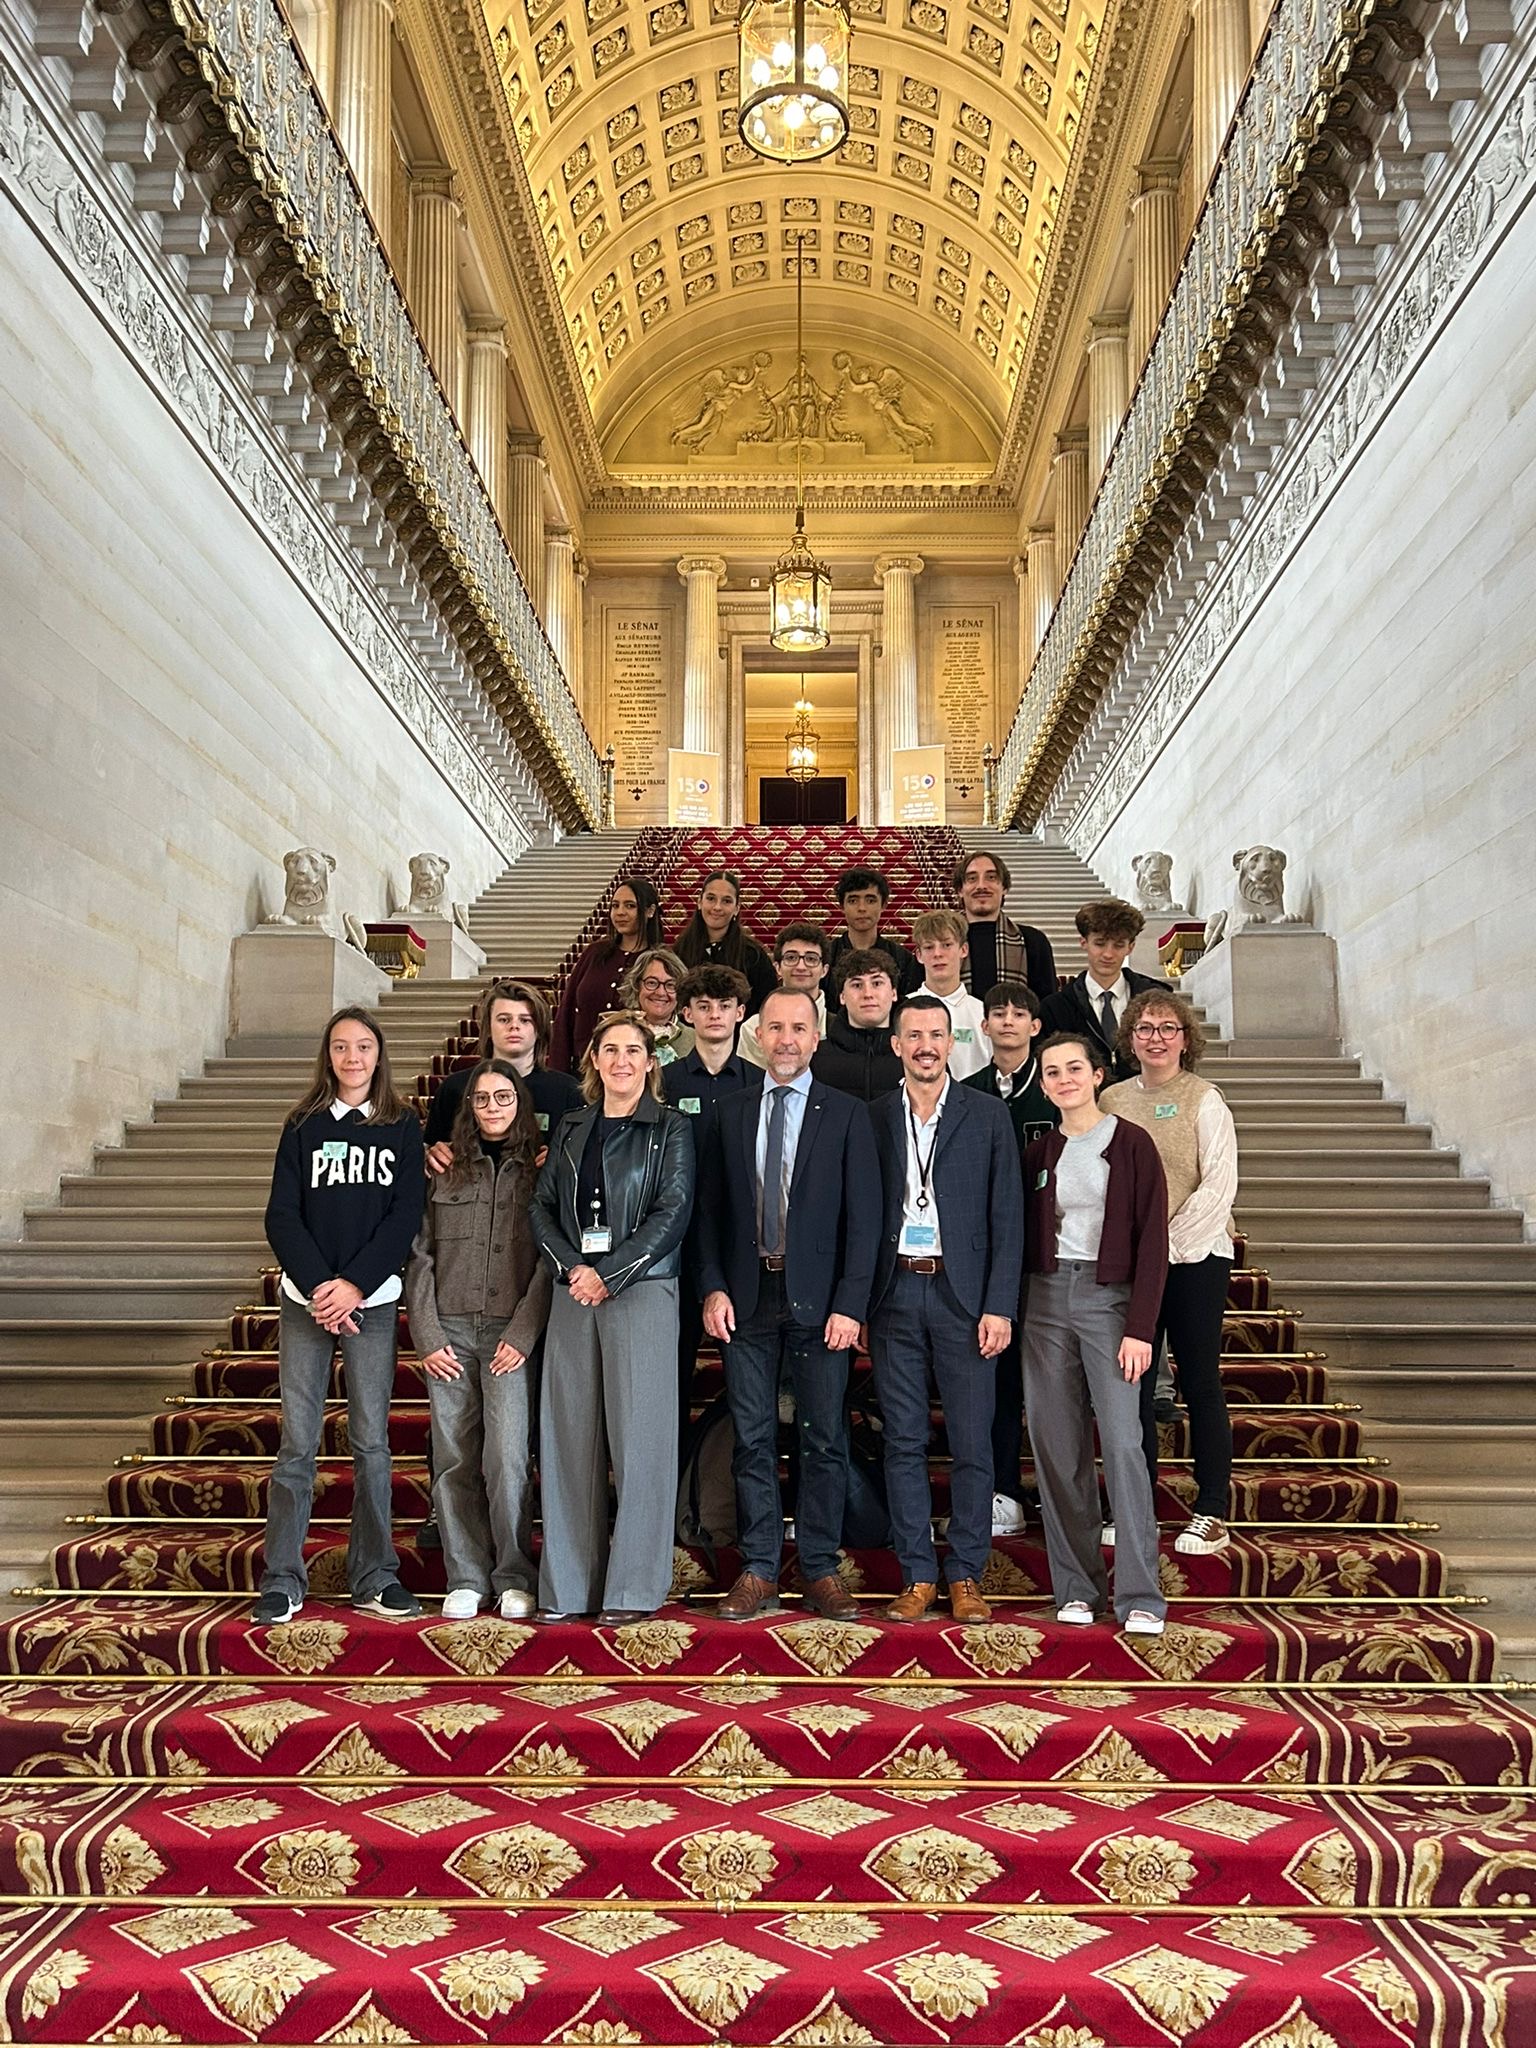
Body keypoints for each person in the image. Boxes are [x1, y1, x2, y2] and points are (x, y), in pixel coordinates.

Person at [697, 988, 880, 1623]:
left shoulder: (848, 1114)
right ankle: (759, 1568)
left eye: (798, 1028)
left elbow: (865, 1220)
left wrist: (851, 1304)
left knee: (824, 1438)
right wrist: (713, 1286)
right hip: (745, 1302)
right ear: (757, 1034)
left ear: (816, 1036)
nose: (786, 1040)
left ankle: (822, 1567)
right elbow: (711, 1213)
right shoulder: (731, 1111)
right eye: (775, 1027)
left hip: (822, 1303)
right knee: (750, 1440)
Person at [254, 1007, 425, 1626]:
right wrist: (321, 1286)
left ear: (379, 1056)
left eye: (363, 1047)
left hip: (372, 1305)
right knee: (297, 1443)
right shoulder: (302, 1125)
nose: (352, 1058)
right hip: (306, 1304)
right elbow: (281, 1215)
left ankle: (375, 1574)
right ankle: (282, 1578)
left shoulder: (403, 1126)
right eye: (340, 1047)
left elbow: (405, 1216)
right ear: (327, 1056)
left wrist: (354, 1285)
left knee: (371, 1443)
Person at [530, 1010, 695, 1622]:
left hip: (643, 1291)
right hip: (574, 1290)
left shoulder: (672, 1129)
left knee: (641, 1444)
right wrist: (574, 1268)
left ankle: (632, 1588)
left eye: (633, 1050)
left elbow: (672, 1211)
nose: (622, 1060)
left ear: (650, 1063)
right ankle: (569, 1588)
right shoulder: (572, 1127)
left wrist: (612, 1272)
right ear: (594, 1062)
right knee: (569, 1440)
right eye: (610, 1051)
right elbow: (541, 1208)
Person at [868, 994, 1024, 1625]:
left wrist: (999, 1306)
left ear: (952, 1041)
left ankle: (965, 1573)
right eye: (914, 1035)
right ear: (897, 1044)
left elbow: (1008, 1218)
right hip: (894, 1293)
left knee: (971, 1442)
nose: (926, 1045)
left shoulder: (987, 1116)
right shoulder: (873, 1117)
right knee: (902, 1441)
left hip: (965, 1299)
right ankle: (917, 1576)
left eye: (937, 1034)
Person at [1022, 1032, 1170, 1636]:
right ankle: (1078, 1588)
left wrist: (1141, 1330)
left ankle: (1139, 1595)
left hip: (1111, 1302)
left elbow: (1154, 1246)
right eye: (1052, 1071)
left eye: (1073, 1068)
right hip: (1045, 1300)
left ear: (1098, 1074)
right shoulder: (1038, 1153)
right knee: (1058, 1450)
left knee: (1125, 1446)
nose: (1063, 1079)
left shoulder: (1133, 1144)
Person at [406, 1059, 551, 1620]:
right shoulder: (442, 1170)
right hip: (449, 1333)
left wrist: (523, 1331)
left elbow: (547, 1261)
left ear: (520, 1105)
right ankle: (465, 1574)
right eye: (482, 1099)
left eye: (503, 1098)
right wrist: (427, 1334)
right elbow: (419, 1255)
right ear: (469, 1108)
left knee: (509, 1457)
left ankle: (514, 1572)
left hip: (509, 1335)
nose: (492, 1108)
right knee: (454, 1456)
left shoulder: (540, 1171)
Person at [1102, 989, 1238, 1556]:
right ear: (1130, 1037)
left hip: (1195, 1258)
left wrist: (1165, 1247)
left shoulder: (1205, 1099)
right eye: (1145, 1027)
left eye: (1167, 1027)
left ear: (1185, 1038)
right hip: (1130, 1266)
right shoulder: (1109, 1100)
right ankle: (1134, 1502)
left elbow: (1219, 1184)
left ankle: (1212, 1508)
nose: (1155, 1036)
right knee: (1128, 1387)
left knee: (1200, 1381)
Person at [964, 981, 1059, 1535]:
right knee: (997, 1379)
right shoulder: (968, 1089)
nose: (1006, 1021)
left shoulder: (1054, 1088)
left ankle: (1053, 1487)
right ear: (985, 1026)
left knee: (1050, 1377)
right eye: (997, 1013)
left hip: (1049, 1249)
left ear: (1034, 1026)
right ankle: (1001, 1486)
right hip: (989, 1254)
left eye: (1018, 1013)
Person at [661, 964, 761, 1417]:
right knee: (673, 1366)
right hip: (677, 1237)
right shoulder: (665, 1083)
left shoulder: (762, 1082)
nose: (714, 1015)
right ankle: (677, 1478)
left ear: (741, 1012)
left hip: (741, 1237)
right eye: (703, 1006)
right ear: (686, 1014)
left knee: (745, 1371)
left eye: (724, 1006)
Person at [424, 978, 583, 1168]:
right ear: (488, 1027)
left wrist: (565, 1157)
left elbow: (582, 1155)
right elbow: (432, 1146)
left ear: (539, 1029)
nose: (514, 1026)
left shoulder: (567, 1091)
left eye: (525, 1020)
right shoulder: (454, 1088)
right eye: (504, 1019)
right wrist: (430, 1153)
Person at [1040, 899, 1170, 1086]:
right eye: (1100, 943)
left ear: (1130, 947)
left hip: (1145, 1101)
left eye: (1118, 945)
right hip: (1082, 1106)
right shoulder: (1055, 1008)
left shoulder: (1157, 998)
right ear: (1084, 943)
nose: (1108, 954)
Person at [550, 877, 664, 1072]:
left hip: (628, 1070)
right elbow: (566, 1011)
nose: (620, 912)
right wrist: (557, 1070)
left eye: (630, 906)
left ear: (650, 911)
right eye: (615, 906)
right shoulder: (594, 953)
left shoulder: (659, 961)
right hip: (583, 1067)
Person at [954, 848, 1057, 1008]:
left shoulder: (1033, 941)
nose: (981, 886)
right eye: (972, 878)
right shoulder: (943, 943)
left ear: (1004, 888)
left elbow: (1046, 1006)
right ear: (960, 890)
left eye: (991, 877)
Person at [674, 869, 776, 1015]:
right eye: (711, 898)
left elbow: (766, 1007)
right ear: (699, 902)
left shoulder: (754, 956)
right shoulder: (679, 952)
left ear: (736, 908)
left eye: (726, 901)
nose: (717, 907)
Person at [812, 947, 904, 1100]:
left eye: (877, 983)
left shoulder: (913, 1055)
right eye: (857, 985)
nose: (868, 994)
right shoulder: (816, 1058)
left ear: (893, 993)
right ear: (842, 996)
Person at [739, 924, 831, 1068]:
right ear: (778, 968)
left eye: (811, 959)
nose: (801, 966)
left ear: (824, 970)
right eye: (791, 957)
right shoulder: (753, 1028)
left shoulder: (839, 1028)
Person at [910, 909, 988, 1080]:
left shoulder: (983, 1013)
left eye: (946, 944)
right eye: (929, 947)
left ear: (963, 949)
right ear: (919, 955)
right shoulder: (903, 1010)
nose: (938, 954)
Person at [826, 867, 921, 996]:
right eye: (853, 901)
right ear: (842, 906)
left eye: (870, 900)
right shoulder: (826, 956)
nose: (862, 908)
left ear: (883, 905)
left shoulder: (903, 960)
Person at [618, 946, 693, 1065]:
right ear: (637, 986)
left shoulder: (696, 1040)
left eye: (670, 985)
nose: (660, 992)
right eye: (652, 983)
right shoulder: (614, 1033)